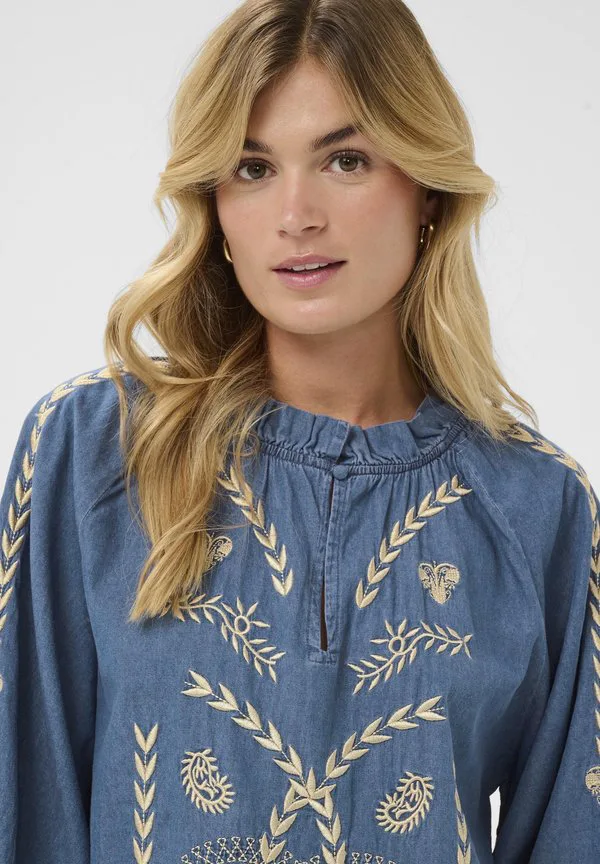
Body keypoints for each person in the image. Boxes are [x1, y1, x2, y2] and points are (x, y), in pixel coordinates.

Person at [0, 1, 597, 861]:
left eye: (345, 160)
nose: (296, 214)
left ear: (427, 189)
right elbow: (29, 812)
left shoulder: (535, 507)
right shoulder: (97, 452)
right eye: (251, 168)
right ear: (215, 205)